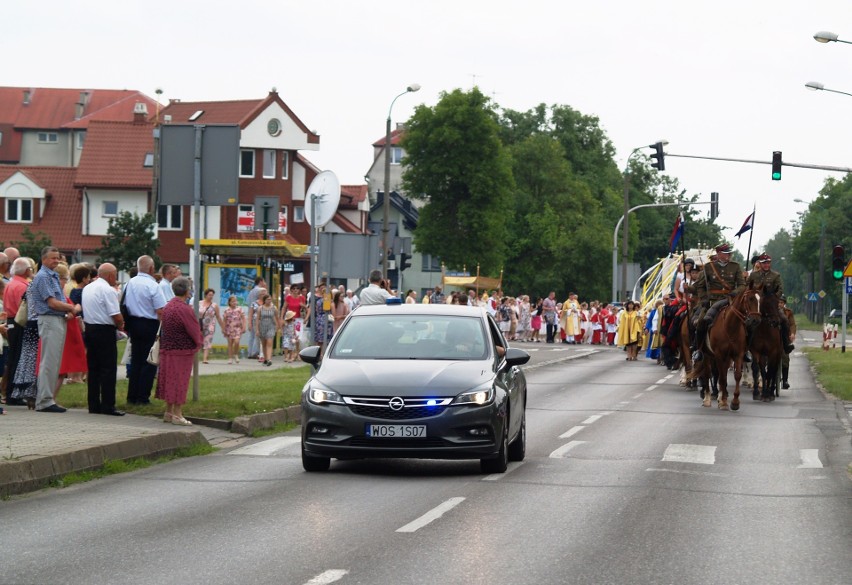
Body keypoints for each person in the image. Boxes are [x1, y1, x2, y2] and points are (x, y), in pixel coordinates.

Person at [30, 247, 80, 412]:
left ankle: (47, 399)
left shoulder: (51, 275)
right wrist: (71, 307)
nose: (56, 261)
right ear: (43, 259)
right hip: (50, 320)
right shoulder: (44, 276)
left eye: (58, 258)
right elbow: (52, 303)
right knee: (49, 362)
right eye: (53, 258)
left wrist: (68, 309)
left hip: (56, 319)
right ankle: (44, 401)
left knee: (53, 362)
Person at [155, 277, 202, 425]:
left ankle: (168, 412)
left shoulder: (168, 306)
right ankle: (177, 414)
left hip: (167, 349)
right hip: (182, 351)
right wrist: (199, 343)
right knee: (180, 381)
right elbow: (194, 330)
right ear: (187, 291)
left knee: (169, 380)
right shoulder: (184, 309)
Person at [690, 243, 745, 363]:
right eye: (726, 253)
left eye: (729, 253)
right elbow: (700, 286)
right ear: (719, 254)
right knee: (701, 321)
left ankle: (745, 350)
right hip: (712, 300)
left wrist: (734, 293)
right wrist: (704, 299)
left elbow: (742, 285)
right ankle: (698, 350)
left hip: (731, 301)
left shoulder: (735, 266)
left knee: (747, 321)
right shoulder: (709, 267)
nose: (729, 255)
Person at [82, 263, 125, 415]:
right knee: (108, 369)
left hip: (90, 328)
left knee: (93, 369)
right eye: (115, 274)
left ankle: (93, 404)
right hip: (104, 330)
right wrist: (121, 325)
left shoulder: (88, 287)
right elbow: (115, 314)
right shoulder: (108, 290)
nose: (116, 278)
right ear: (110, 275)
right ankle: (108, 405)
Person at [123, 255, 166, 405]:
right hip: (149, 324)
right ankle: (142, 397)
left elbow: (124, 303)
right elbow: (160, 309)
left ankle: (132, 396)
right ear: (152, 269)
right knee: (149, 361)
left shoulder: (129, 283)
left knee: (135, 361)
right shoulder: (153, 285)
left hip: (133, 323)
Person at [746, 253, 795, 354]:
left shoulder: (775, 275)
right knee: (746, 322)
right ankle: (745, 346)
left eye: (768, 263)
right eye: (764, 263)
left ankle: (786, 344)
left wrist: (773, 299)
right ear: (760, 263)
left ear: (770, 263)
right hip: (757, 305)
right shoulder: (753, 275)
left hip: (770, 306)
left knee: (784, 319)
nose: (766, 265)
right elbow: (747, 288)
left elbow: (780, 290)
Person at [53, 263, 87, 401]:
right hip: (63, 333)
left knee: (61, 369)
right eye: (64, 279)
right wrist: (74, 309)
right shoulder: (57, 294)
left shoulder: (60, 293)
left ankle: (50, 398)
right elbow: (62, 312)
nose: (66, 282)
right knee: (60, 369)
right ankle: (50, 399)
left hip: (66, 332)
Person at [2, 258, 32, 406]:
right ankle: (14, 394)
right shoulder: (22, 286)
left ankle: (9, 393)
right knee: (19, 358)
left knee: (13, 358)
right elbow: (24, 308)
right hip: (20, 323)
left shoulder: (11, 283)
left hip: (11, 321)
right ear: (26, 270)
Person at [198, 288, 224, 364]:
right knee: (198, 340)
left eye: (212, 295)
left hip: (210, 325)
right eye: (209, 295)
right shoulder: (199, 303)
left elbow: (218, 317)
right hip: (200, 324)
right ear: (205, 295)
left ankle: (205, 358)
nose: (211, 296)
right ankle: (195, 356)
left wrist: (223, 327)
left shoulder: (214, 305)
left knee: (207, 340)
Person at [245, 276, 267, 359]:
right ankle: (255, 352)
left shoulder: (251, 291)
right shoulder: (260, 290)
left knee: (251, 335)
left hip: (252, 312)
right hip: (258, 314)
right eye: (264, 281)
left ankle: (249, 352)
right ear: (261, 281)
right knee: (257, 335)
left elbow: (248, 301)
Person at [255, 293, 280, 366]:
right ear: (264, 300)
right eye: (268, 299)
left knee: (269, 342)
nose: (269, 301)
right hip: (262, 326)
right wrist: (257, 329)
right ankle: (265, 359)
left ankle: (269, 359)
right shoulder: (260, 308)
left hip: (271, 326)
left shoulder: (274, 308)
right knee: (264, 344)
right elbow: (257, 319)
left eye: (270, 299)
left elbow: (277, 317)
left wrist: (278, 326)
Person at [779, 295, 796, 389]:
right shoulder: (771, 311)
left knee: (785, 358)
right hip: (773, 339)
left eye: (781, 303)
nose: (779, 304)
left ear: (784, 303)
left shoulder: (788, 312)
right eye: (778, 302)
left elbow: (793, 324)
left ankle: (785, 380)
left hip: (784, 338)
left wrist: (792, 333)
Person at [222, 295, 246, 364]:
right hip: (229, 328)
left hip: (237, 328)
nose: (234, 303)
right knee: (230, 343)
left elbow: (243, 318)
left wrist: (244, 327)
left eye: (235, 301)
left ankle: (236, 354)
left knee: (237, 341)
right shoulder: (227, 310)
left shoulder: (239, 309)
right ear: (229, 302)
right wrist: (223, 329)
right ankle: (230, 358)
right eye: (232, 301)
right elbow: (224, 320)